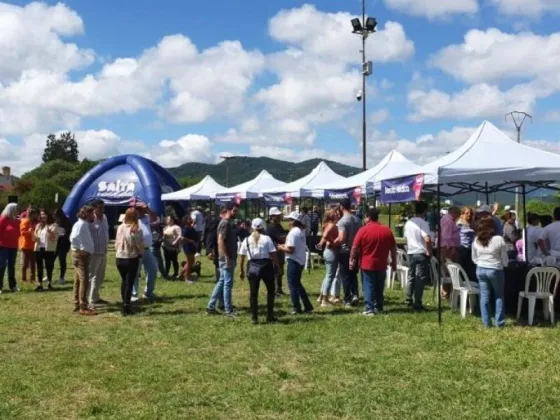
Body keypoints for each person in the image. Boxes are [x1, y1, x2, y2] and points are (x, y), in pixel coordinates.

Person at [350, 208, 397, 315]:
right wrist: (394, 262)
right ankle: (379, 306)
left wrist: (352, 259)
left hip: (367, 263)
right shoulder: (387, 230)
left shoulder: (363, 230)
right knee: (379, 287)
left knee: (368, 286)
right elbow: (393, 248)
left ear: (369, 217)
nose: (365, 219)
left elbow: (354, 247)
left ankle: (369, 308)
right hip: (382, 263)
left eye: (366, 217)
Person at [239, 218, 279, 324]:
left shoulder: (246, 239)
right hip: (266, 266)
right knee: (271, 291)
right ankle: (270, 316)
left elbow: (242, 257)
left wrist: (241, 270)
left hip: (252, 266)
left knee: (253, 293)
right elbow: (273, 254)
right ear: (263, 227)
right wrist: (277, 266)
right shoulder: (267, 238)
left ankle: (254, 317)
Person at [472, 216, 509, 328]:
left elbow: (474, 258)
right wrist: (504, 265)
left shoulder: (476, 240)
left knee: (484, 296)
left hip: (480, 269)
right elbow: (505, 258)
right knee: (498, 296)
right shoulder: (498, 239)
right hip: (495, 269)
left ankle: (486, 323)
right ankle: (500, 323)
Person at [207, 203, 239, 317]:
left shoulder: (227, 223)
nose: (236, 213)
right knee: (227, 284)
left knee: (221, 282)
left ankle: (210, 306)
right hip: (226, 258)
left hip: (225, 258)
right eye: (234, 210)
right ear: (228, 210)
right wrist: (226, 257)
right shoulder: (225, 223)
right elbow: (220, 240)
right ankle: (228, 310)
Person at [278, 212, 313, 315]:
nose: (288, 222)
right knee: (298, 284)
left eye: (289, 220)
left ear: (293, 221)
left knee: (293, 285)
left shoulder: (293, 232)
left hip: (294, 261)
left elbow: (291, 250)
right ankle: (307, 306)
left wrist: (280, 248)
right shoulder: (300, 231)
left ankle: (296, 307)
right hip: (299, 260)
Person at [403, 201, 432, 311]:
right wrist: (429, 251)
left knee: (411, 276)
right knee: (420, 279)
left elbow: (406, 238)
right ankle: (417, 302)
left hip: (411, 251)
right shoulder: (423, 223)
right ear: (424, 211)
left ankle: (408, 297)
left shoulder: (408, 222)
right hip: (420, 252)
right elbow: (427, 239)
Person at [115, 208, 144, 316]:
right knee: (129, 283)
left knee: (124, 281)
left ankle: (124, 303)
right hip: (130, 257)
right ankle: (126, 306)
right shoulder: (136, 229)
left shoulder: (120, 227)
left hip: (119, 257)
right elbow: (139, 244)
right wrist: (141, 253)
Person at [334, 198, 361, 306]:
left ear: (341, 207)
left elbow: (342, 238)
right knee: (353, 274)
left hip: (345, 251)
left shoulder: (342, 221)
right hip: (356, 250)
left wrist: (333, 242)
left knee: (345, 275)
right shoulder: (357, 219)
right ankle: (355, 294)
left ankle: (347, 299)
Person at [70, 205, 96, 316]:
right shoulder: (81, 224)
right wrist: (81, 249)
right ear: (86, 214)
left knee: (78, 280)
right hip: (81, 256)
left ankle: (77, 303)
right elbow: (73, 238)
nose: (93, 216)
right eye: (91, 213)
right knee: (84, 280)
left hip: (82, 255)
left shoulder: (83, 224)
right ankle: (83, 306)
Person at [132, 203, 158, 302]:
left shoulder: (146, 217)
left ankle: (149, 292)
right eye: (138, 209)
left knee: (153, 270)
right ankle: (134, 294)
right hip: (136, 250)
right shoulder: (132, 219)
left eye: (141, 209)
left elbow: (155, 218)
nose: (140, 211)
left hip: (147, 249)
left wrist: (147, 208)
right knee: (135, 273)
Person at [88, 199, 109, 306]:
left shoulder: (105, 218)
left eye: (103, 207)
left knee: (100, 276)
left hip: (103, 251)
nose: (102, 210)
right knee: (90, 276)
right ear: (94, 208)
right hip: (93, 252)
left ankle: (95, 297)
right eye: (99, 208)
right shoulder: (90, 219)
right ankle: (85, 300)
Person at [317, 209, 340, 307]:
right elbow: (325, 235)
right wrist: (333, 242)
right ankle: (325, 300)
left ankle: (321, 296)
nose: (337, 214)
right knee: (330, 276)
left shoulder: (327, 224)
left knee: (328, 275)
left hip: (327, 251)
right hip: (331, 251)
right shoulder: (331, 225)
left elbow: (324, 236)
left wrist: (323, 242)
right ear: (331, 215)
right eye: (335, 213)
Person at [33, 210, 58, 291]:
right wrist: (32, 234)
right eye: (41, 214)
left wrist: (50, 232)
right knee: (39, 267)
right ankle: (40, 284)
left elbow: (54, 238)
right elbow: (34, 238)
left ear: (48, 215)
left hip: (48, 249)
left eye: (44, 214)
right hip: (38, 248)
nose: (42, 215)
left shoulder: (53, 225)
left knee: (49, 266)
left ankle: (49, 283)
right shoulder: (38, 226)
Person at [439, 206, 461, 297]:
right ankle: (446, 292)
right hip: (448, 249)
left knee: (447, 270)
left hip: (447, 248)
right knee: (448, 270)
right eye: (458, 215)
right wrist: (451, 248)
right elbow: (446, 236)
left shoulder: (445, 219)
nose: (458, 217)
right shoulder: (448, 221)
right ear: (454, 213)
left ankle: (446, 291)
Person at [266, 207, 287, 297]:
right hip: (274, 251)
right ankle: (274, 291)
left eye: (279, 215)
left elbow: (282, 234)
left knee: (280, 271)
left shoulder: (278, 225)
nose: (279, 216)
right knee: (275, 271)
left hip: (280, 251)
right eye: (277, 215)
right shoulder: (270, 227)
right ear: (272, 216)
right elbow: (280, 237)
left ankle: (279, 288)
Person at [0, 203, 20, 293]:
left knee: (11, 266)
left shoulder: (16, 221)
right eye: (16, 209)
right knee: (2, 266)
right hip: (3, 246)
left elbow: (18, 233)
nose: (17, 210)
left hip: (13, 246)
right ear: (11, 210)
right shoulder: (3, 219)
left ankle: (13, 286)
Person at [19, 207, 38, 283]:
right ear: (31, 214)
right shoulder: (25, 221)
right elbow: (22, 232)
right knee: (25, 263)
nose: (35, 216)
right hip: (26, 245)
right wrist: (29, 232)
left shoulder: (35, 222)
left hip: (33, 245)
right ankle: (23, 278)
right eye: (34, 214)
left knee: (33, 263)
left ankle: (32, 278)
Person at [457, 207, 476, 281]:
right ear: (462, 214)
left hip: (471, 247)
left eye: (470, 213)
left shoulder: (472, 223)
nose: (469, 215)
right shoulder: (459, 223)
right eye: (467, 213)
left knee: (471, 266)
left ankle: (471, 282)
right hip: (462, 247)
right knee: (463, 265)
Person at [54, 208, 72, 285]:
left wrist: (62, 235)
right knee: (51, 259)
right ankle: (48, 275)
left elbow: (68, 232)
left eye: (57, 216)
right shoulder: (56, 221)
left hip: (64, 244)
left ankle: (62, 277)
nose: (56, 218)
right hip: (56, 244)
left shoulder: (67, 221)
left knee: (62, 261)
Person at [162, 215, 182, 279]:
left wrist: (175, 241)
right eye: (167, 219)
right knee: (167, 261)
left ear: (172, 220)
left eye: (168, 219)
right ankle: (166, 273)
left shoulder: (176, 227)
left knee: (174, 260)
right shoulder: (165, 228)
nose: (167, 220)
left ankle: (176, 273)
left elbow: (180, 235)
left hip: (173, 247)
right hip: (166, 247)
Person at [180, 215, 198, 283]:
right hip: (188, 246)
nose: (191, 220)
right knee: (189, 262)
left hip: (192, 246)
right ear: (186, 221)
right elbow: (182, 237)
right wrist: (190, 241)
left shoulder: (191, 227)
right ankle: (186, 277)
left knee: (191, 261)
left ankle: (181, 274)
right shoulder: (185, 228)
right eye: (189, 219)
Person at [149, 212, 166, 277]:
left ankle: (159, 273)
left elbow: (161, 233)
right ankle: (163, 274)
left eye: (156, 216)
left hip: (157, 244)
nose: (156, 218)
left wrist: (161, 237)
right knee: (158, 260)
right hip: (153, 245)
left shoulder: (158, 226)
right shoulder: (150, 225)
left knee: (158, 260)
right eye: (154, 216)